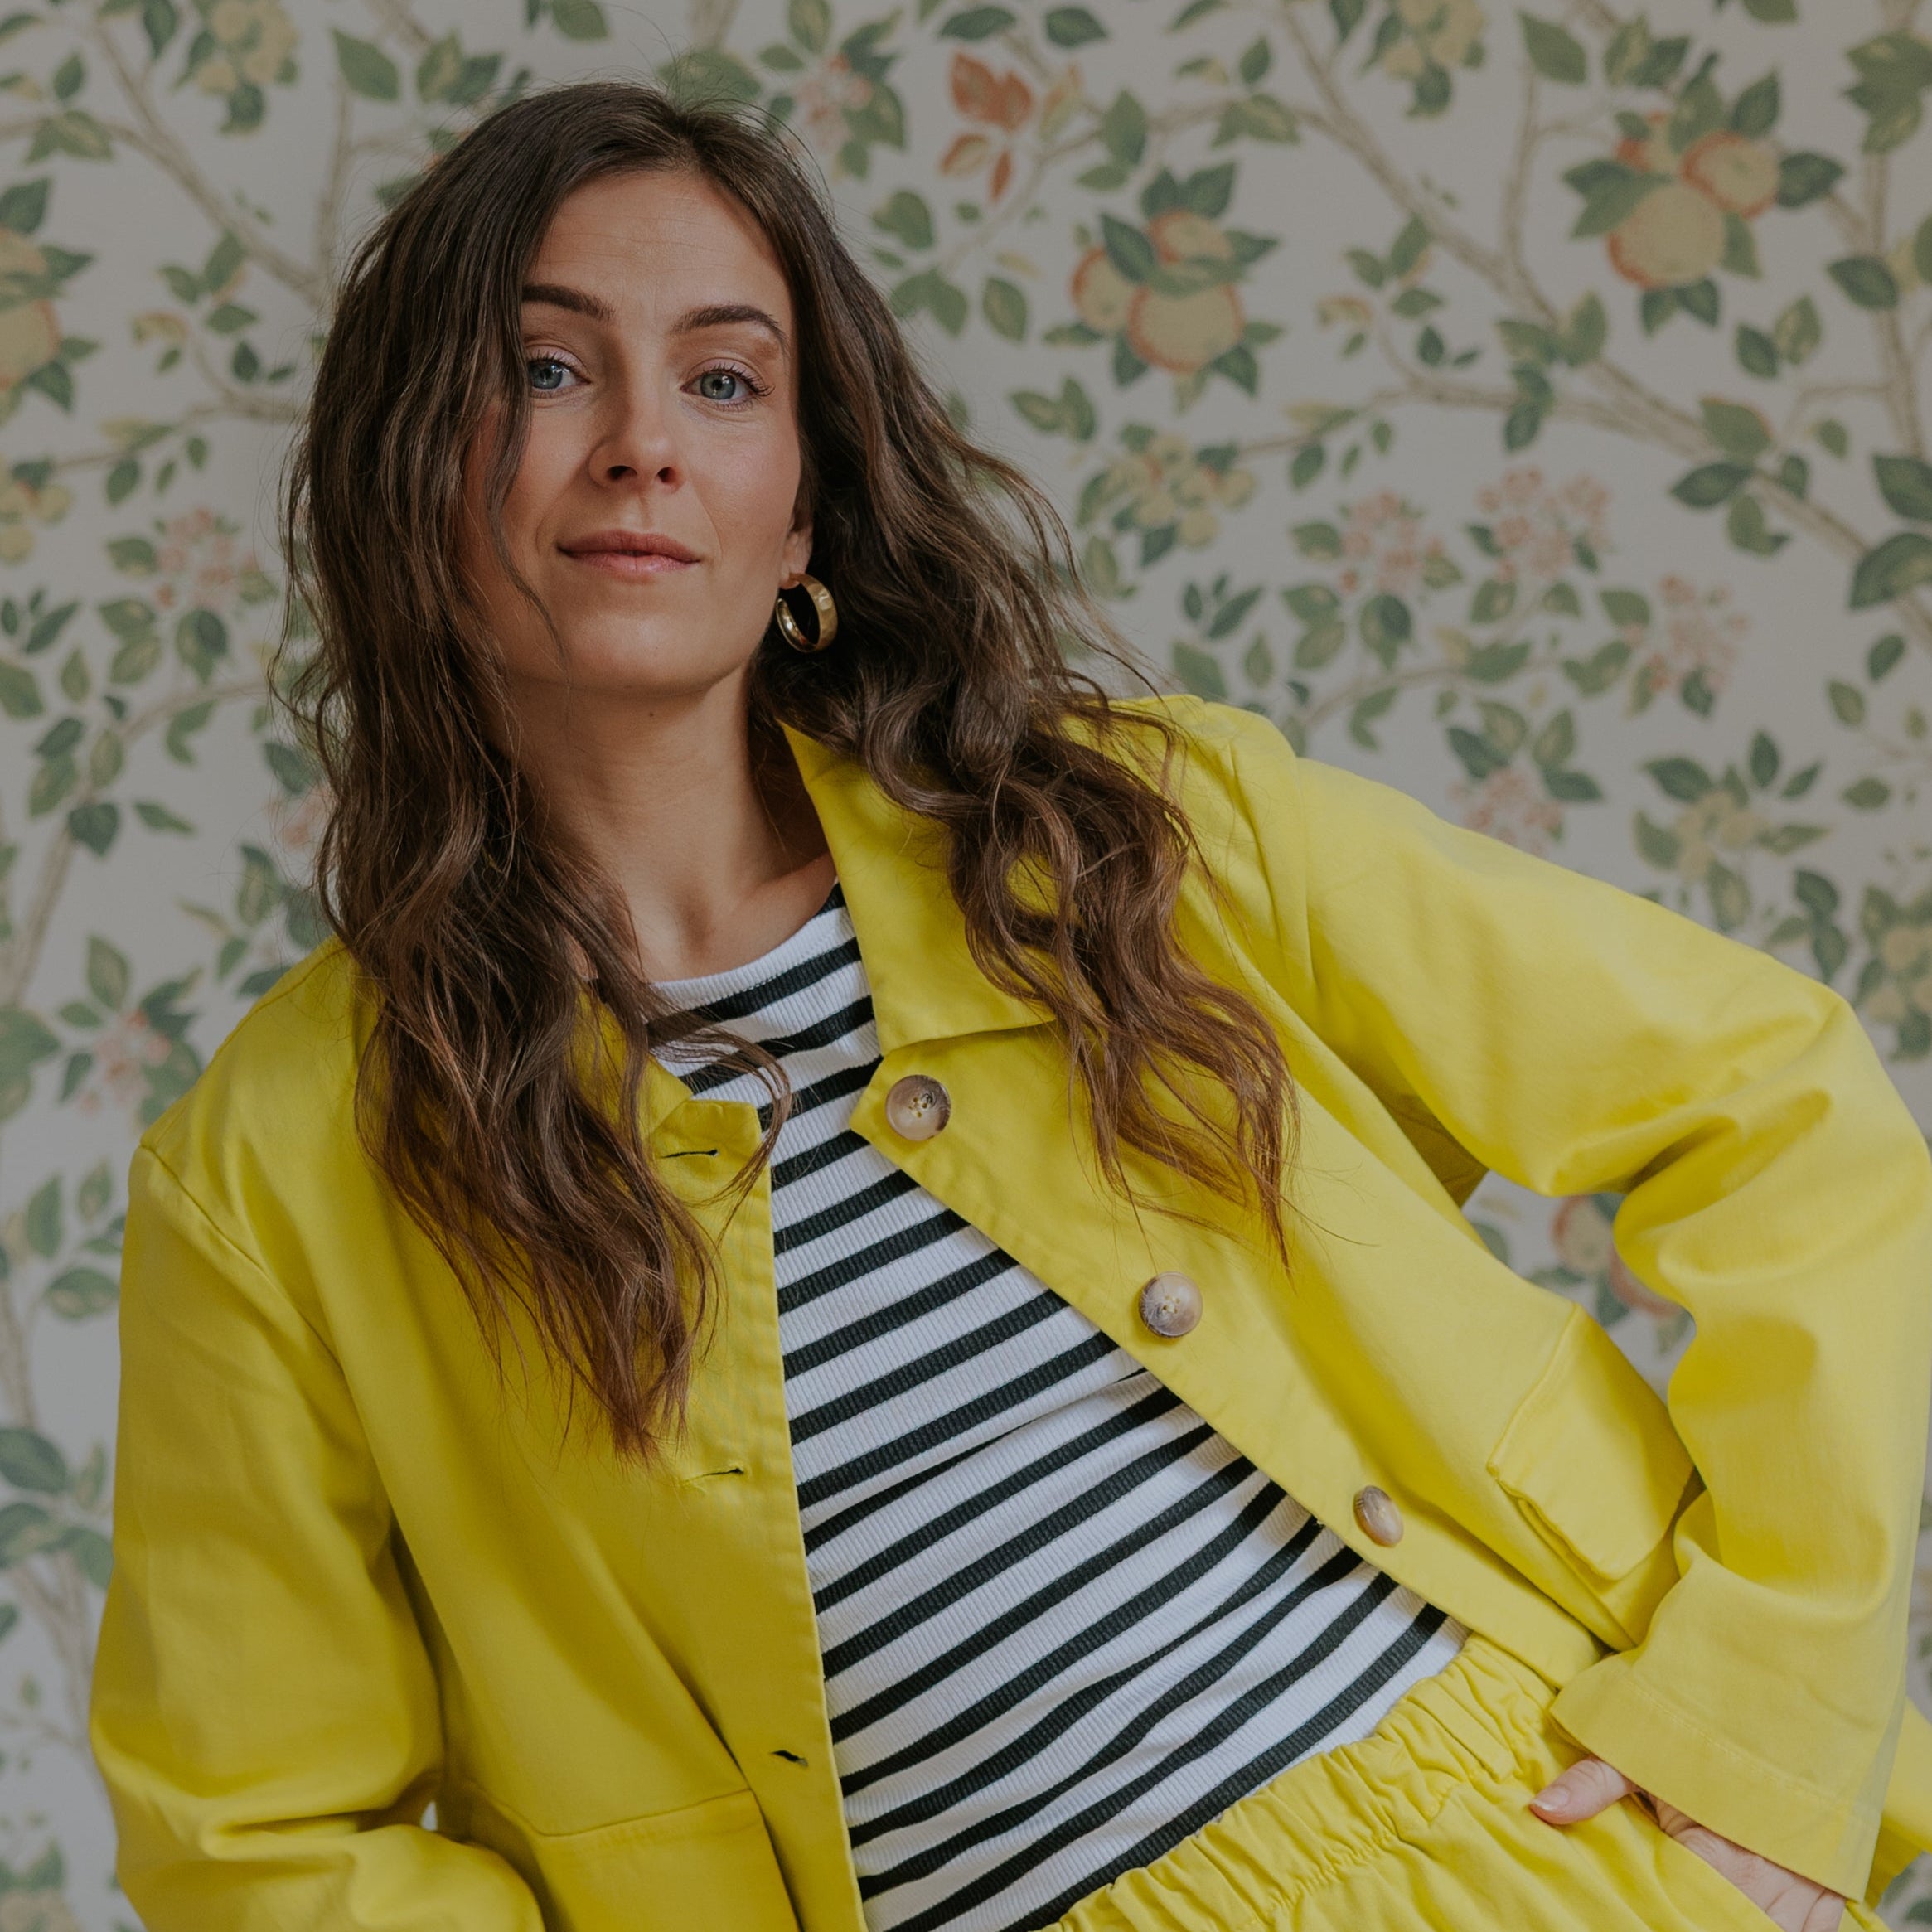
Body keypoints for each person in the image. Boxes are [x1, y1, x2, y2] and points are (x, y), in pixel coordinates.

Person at [88, 80, 1932, 1932]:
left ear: (800, 513)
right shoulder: (274, 1172)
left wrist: (1760, 1718)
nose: (642, 443)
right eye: (549, 370)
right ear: (411, 467)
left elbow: (1773, 1107)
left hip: (1525, 1854)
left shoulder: (1132, 837)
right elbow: (255, 1839)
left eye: (723, 380)